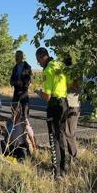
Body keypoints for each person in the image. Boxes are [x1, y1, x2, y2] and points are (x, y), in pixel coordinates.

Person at [34, 47, 68, 179]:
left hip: (54, 105)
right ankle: (64, 167)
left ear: (43, 57)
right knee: (61, 136)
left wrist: (38, 92)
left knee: (53, 139)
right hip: (65, 103)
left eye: (39, 61)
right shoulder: (59, 65)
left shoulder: (48, 70)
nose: (39, 64)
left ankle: (57, 172)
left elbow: (47, 97)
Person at [64, 54, 79, 159]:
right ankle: (71, 155)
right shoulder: (72, 72)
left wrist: (65, 86)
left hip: (72, 104)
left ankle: (73, 156)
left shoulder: (72, 72)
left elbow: (75, 86)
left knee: (69, 132)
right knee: (68, 131)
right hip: (70, 104)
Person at [10, 50, 32, 119]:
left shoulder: (27, 67)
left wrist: (23, 82)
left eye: (18, 56)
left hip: (24, 92)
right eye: (15, 56)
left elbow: (29, 80)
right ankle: (15, 128)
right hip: (16, 92)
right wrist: (16, 82)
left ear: (22, 57)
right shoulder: (15, 68)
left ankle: (25, 127)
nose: (16, 58)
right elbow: (11, 81)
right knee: (14, 114)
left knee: (25, 115)